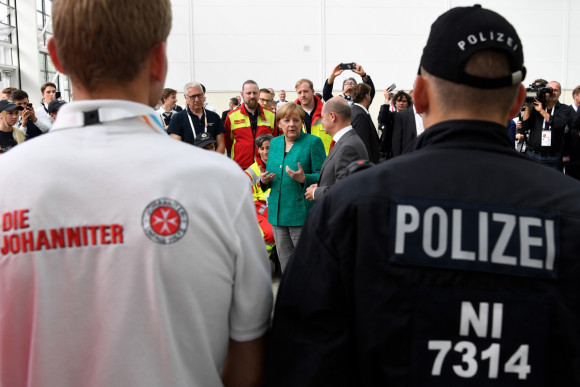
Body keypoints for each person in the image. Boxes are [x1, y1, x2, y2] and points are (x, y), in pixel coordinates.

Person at [267, 5, 580, 386]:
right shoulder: (569, 210)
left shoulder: (353, 207)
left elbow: (299, 359)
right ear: (517, 100)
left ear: (419, 95)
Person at [0, 1, 272, 386]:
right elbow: (249, 355)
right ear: (159, 60)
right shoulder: (221, 185)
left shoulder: (5, 182)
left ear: (56, 56)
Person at [260, 102, 325, 273]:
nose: (291, 124)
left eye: (296, 120)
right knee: (286, 264)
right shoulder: (274, 143)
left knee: (307, 262)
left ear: (302, 123)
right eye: (286, 120)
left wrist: (305, 178)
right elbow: (272, 174)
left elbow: (324, 175)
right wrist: (264, 180)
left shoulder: (313, 142)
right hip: (278, 212)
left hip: (301, 213)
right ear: (279, 123)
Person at [305, 97, 368, 201]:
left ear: (332, 116)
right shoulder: (347, 141)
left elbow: (345, 190)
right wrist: (321, 185)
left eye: (323, 117)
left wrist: (316, 192)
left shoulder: (347, 147)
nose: (322, 123)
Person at [225, 80, 277, 170]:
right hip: (240, 169)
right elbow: (228, 143)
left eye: (255, 93)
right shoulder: (231, 116)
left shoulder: (271, 115)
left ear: (258, 94)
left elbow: (276, 141)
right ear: (242, 94)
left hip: (265, 169)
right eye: (248, 93)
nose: (252, 96)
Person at [521, 80, 573, 171]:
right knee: (531, 183)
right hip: (532, 155)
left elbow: (558, 125)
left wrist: (542, 111)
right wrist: (528, 106)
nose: (552, 92)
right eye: (549, 90)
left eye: (556, 90)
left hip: (553, 157)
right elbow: (525, 126)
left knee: (553, 184)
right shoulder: (536, 106)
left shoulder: (565, 109)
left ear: (560, 93)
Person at [168, 82, 226, 154]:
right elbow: (175, 147)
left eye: (199, 95)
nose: (197, 99)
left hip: (211, 163)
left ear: (203, 95)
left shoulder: (214, 117)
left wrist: (213, 162)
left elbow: (221, 145)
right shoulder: (178, 118)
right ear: (186, 97)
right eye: (193, 96)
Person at [244, 133, 276, 258]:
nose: (265, 152)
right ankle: (261, 261)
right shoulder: (250, 172)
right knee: (270, 232)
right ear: (258, 150)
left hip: (280, 208)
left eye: (268, 148)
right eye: (262, 148)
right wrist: (268, 210)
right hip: (260, 211)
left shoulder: (282, 165)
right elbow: (249, 201)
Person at [295, 78, 332, 154]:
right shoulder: (291, 114)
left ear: (312, 91)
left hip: (325, 159)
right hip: (301, 160)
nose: (303, 95)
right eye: (299, 92)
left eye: (305, 91)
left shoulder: (327, 112)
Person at [351, 83, 380, 164]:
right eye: (370, 95)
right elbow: (363, 144)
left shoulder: (354, 111)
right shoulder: (360, 115)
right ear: (367, 96)